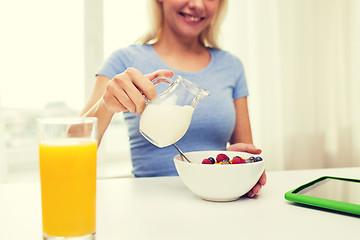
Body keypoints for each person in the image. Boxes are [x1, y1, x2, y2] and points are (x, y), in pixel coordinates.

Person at [81, 0, 266, 197]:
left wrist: (237, 163)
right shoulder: (124, 60)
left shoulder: (231, 66)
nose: (198, 4)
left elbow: (245, 152)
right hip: (150, 205)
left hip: (215, 200)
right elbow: (69, 144)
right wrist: (105, 105)